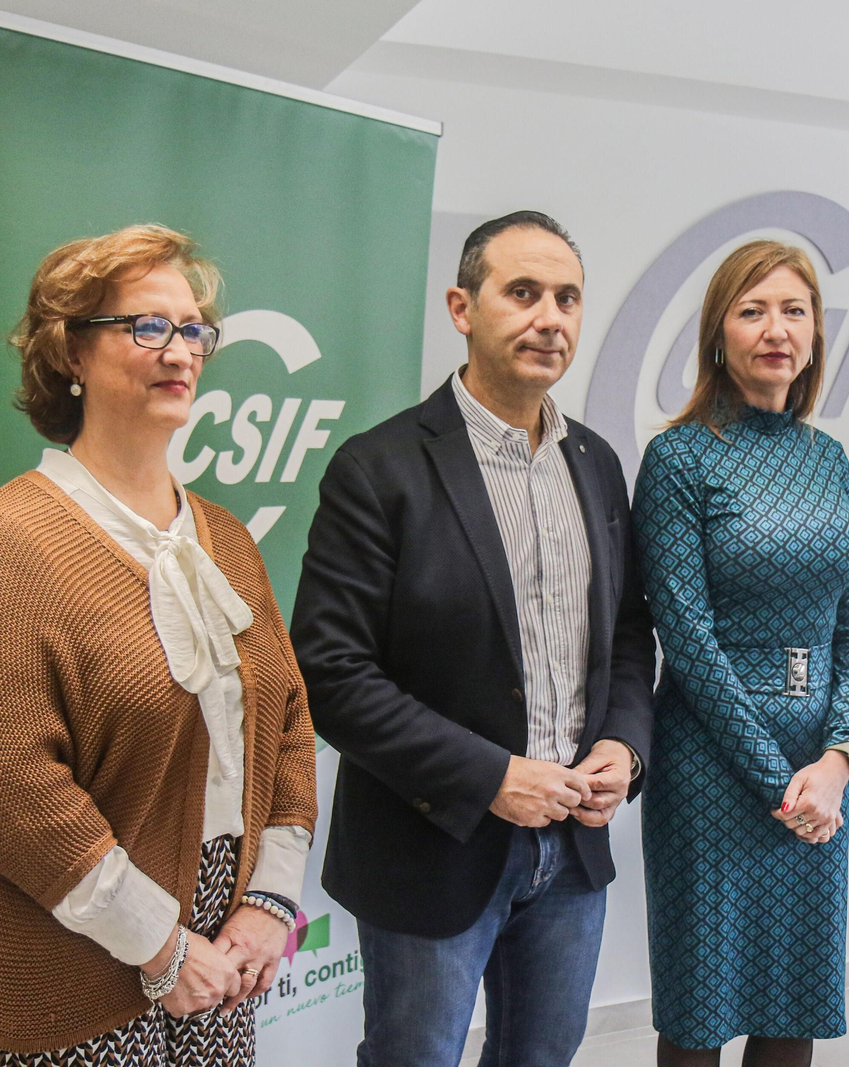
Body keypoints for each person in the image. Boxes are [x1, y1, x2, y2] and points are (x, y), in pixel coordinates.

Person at [0, 224, 317, 1067]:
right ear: (70, 351)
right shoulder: (5, 543)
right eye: (147, 326)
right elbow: (2, 788)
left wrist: (269, 903)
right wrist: (159, 944)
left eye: (192, 329)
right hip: (66, 966)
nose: (179, 350)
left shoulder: (224, 539)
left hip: (224, 947)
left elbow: (286, 722)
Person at [291, 210, 656, 1067]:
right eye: (522, 292)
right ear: (462, 306)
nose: (550, 317)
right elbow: (332, 672)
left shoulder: (597, 464)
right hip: (429, 852)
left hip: (572, 849)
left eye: (567, 297)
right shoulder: (378, 469)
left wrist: (624, 745)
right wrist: (491, 776)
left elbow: (632, 634)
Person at [632, 240, 849, 1067]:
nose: (776, 329)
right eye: (753, 309)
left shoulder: (828, 460)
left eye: (795, 310)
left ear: (815, 334)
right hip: (711, 765)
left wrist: (838, 759)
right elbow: (688, 641)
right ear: (717, 334)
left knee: (793, 997)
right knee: (702, 1004)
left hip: (819, 768)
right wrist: (782, 781)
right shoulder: (679, 458)